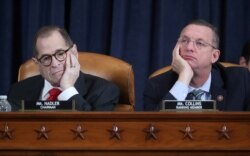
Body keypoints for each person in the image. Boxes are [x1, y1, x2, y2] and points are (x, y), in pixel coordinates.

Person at [144, 19, 250, 111]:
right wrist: (183, 79)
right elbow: (155, 129)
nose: (189, 47)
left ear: (214, 56)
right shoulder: (156, 86)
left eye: (200, 43)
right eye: (184, 41)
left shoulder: (240, 81)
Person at [8, 26, 119, 111]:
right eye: (46, 58)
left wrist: (68, 89)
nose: (55, 64)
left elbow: (93, 133)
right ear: (37, 63)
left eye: (60, 54)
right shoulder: (17, 91)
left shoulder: (104, 92)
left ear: (74, 52)